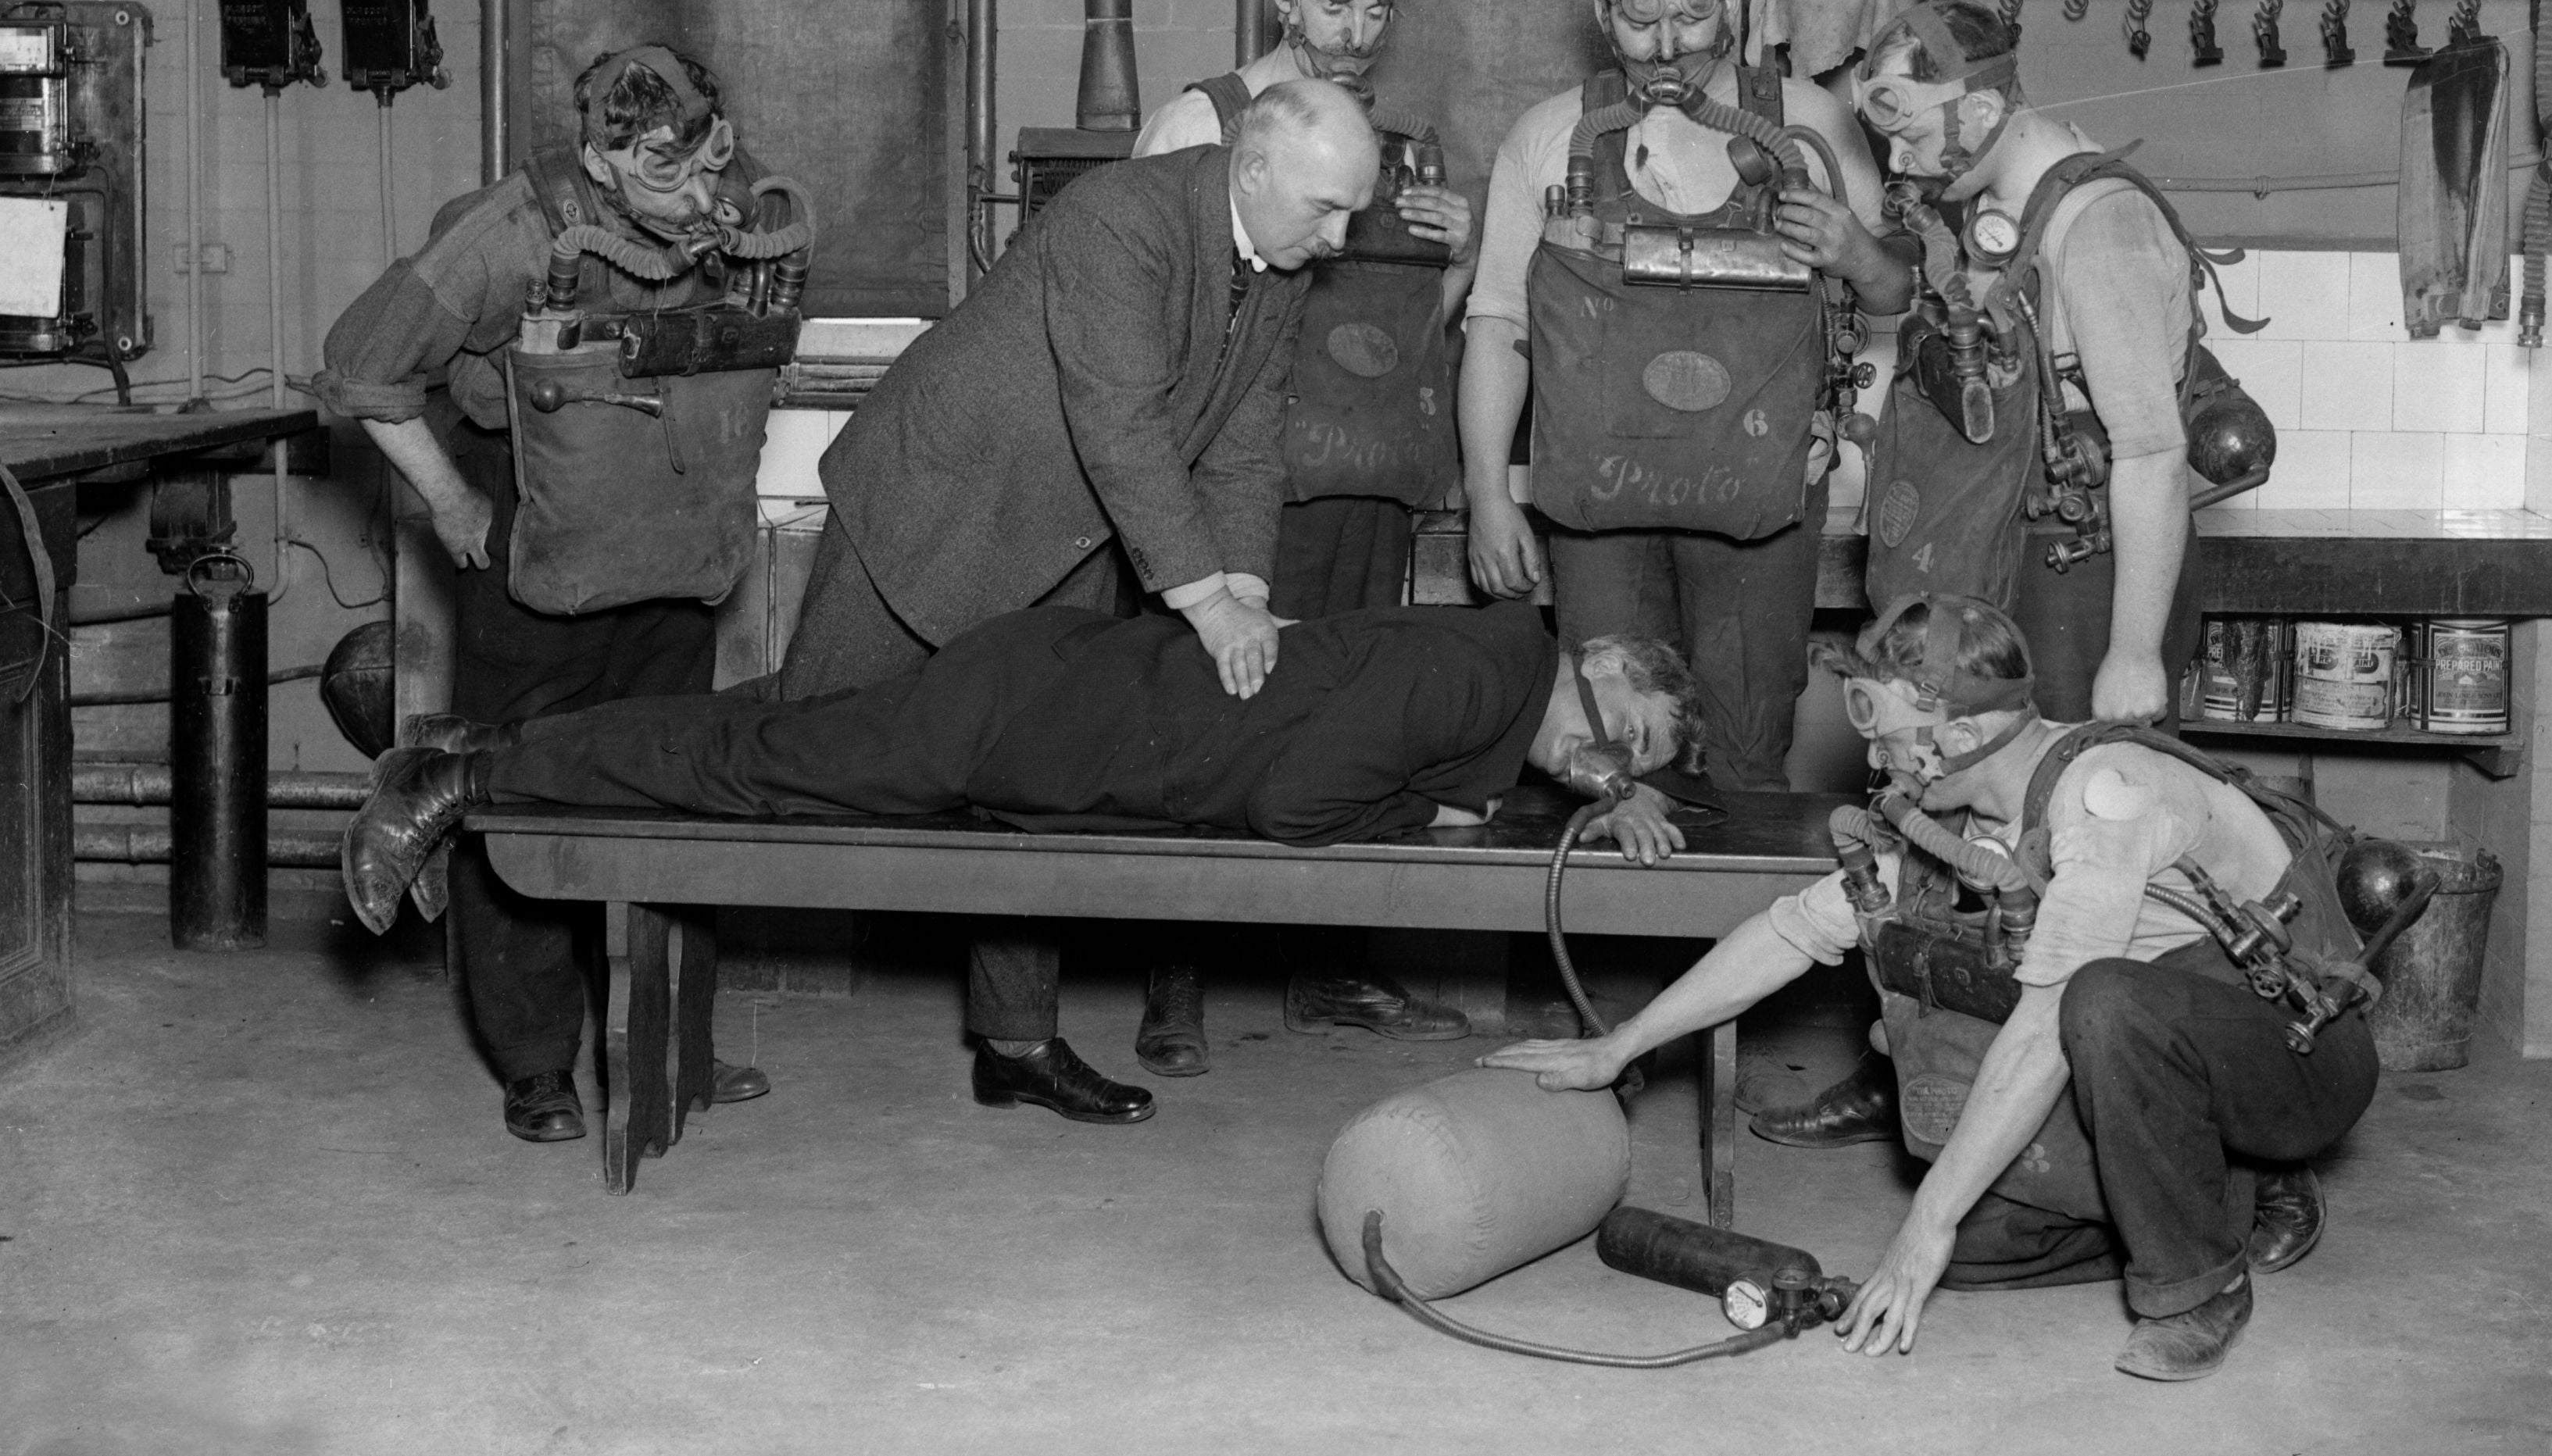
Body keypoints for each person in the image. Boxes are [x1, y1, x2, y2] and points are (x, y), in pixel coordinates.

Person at [1485, 594, 2375, 1383]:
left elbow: (2043, 1025)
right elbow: (1787, 935)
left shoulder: (2106, 795)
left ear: (1957, 731)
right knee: (1975, 1249)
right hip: (2164, 1052)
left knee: (2095, 1004)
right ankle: (2218, 1192)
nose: (1875, 756)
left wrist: (1926, 1228)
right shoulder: (1957, 818)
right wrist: (1619, 1044)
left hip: (2295, 1054)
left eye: (1884, 728)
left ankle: (2201, 1287)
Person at [763, 76, 1380, 1125]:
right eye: (1324, 208)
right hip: (932, 511)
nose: (1337, 237)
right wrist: (1202, 601)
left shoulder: (1278, 263)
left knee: (1031, 788)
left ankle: (1016, 1043)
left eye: (1351, 214)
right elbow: (1120, 425)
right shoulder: (1121, 218)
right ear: (1255, 166)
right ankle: (671, 982)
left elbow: (1242, 436)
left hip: (1067, 535)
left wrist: (1244, 586)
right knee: (789, 762)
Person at [1762, 0, 2235, 1151]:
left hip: (2084, 585)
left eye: (1912, 132)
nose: (1899, 160)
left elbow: (2152, 451)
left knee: (2087, 870)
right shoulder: (1990, 211)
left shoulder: (2097, 224)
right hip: (2003, 564)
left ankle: (2159, 1125)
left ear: (1977, 108)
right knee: (1960, 836)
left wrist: (2130, 649)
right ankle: (1923, 1072)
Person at [341, 603, 1705, 990]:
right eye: (1621, 740)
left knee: (759, 732)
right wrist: (1422, 815)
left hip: (1051, 705)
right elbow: (1295, 804)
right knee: (750, 768)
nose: (1606, 768)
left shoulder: (1492, 672)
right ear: (1594, 676)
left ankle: (496, 737)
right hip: (1030, 725)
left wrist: (1452, 800)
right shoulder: (1493, 677)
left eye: (1624, 765)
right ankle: (466, 774)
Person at [313, 43, 781, 1146]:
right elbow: (359, 365)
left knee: (677, 780)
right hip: (533, 521)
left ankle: (672, 1040)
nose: (687, 195)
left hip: (669, 524)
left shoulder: (725, 186)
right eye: (653, 178)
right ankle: (536, 1064)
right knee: (519, 785)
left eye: (698, 163)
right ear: (596, 158)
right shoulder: (511, 231)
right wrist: (449, 504)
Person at [1460, 0, 1910, 808]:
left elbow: (1892, 296)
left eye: (1693, 14)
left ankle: (1735, 942)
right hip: (1599, 508)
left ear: (1732, 7)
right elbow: (1498, 319)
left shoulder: (1809, 126)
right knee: (1607, 743)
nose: (1668, 48)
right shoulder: (1550, 135)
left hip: (1761, 499)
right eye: (1640, 21)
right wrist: (1483, 497)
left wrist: (1855, 252)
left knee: (1745, 738)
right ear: (1602, 17)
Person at [1133, 0, 1478, 1067]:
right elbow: (1152, 299)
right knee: (1200, 711)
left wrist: (1460, 254)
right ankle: (1169, 983)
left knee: (1343, 713)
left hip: (1357, 482)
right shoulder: (1206, 116)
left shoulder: (1394, 143)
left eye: (1378, 2)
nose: (1357, 23)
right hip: (1236, 482)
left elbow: (1409, 336)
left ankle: (1325, 965)